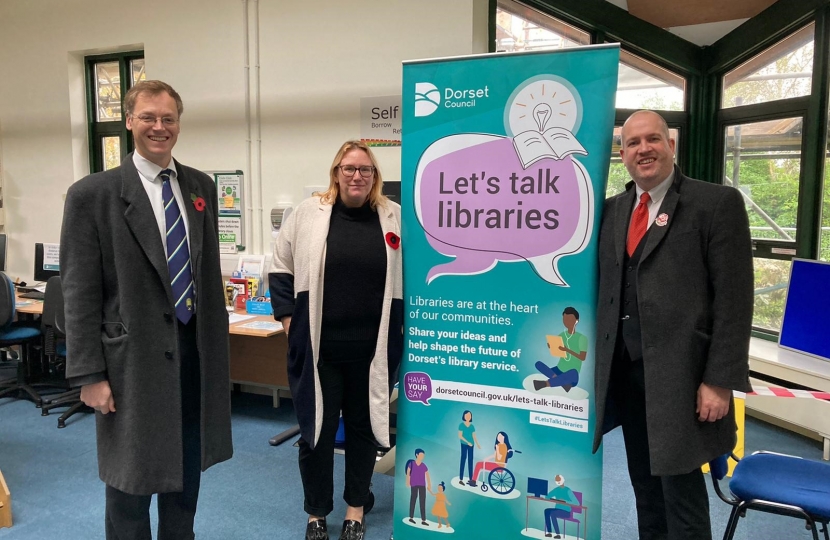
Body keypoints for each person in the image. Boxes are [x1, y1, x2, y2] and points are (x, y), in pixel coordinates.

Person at [60, 80, 233, 540]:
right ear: (130, 121)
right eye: (149, 118)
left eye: (169, 118)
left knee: (185, 479)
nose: (160, 127)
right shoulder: (92, 195)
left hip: (191, 354)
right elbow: (79, 293)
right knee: (129, 487)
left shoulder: (200, 187)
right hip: (128, 364)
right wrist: (88, 376)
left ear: (179, 123)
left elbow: (207, 276)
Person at [593, 110, 753, 540]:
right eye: (633, 143)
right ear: (622, 154)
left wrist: (720, 381)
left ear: (671, 145)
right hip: (626, 377)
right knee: (644, 488)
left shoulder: (716, 204)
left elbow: (735, 303)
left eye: (653, 140)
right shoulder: (612, 211)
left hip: (684, 381)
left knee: (681, 496)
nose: (643, 149)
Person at [269, 140, 403, 540]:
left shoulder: (393, 216)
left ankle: (355, 508)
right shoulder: (308, 214)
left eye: (365, 169)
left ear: (374, 176)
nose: (356, 176)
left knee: (363, 432)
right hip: (320, 351)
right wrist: (290, 322)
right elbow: (280, 266)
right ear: (336, 173)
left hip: (371, 352)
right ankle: (316, 513)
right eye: (349, 168)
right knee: (317, 433)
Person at [535, 307, 588, 392]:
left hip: (571, 374)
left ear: (576, 320)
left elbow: (582, 357)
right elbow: (558, 351)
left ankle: (545, 384)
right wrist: (552, 346)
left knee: (573, 373)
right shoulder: (562, 335)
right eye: (565, 319)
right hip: (559, 369)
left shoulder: (582, 338)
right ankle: (562, 382)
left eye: (569, 319)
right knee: (538, 364)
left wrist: (567, 350)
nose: (567, 322)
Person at [543, 475, 578, 539]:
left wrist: (566, 501)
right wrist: (551, 498)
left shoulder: (568, 490)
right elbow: (547, 496)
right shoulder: (556, 489)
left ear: (562, 480)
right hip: (557, 509)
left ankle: (558, 534)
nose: (558, 481)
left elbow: (576, 503)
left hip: (566, 512)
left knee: (552, 513)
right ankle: (550, 533)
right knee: (547, 511)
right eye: (557, 480)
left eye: (559, 480)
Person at [406, 449, 431, 526]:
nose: (422, 456)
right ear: (417, 455)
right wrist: (407, 481)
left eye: (423, 455)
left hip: (422, 485)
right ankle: (411, 517)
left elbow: (427, 476)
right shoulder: (412, 464)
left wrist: (429, 484)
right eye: (421, 455)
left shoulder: (424, 466)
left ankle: (423, 520)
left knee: (422, 501)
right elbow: (408, 473)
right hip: (414, 484)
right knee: (413, 500)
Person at [457, 410, 481, 486]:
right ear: (464, 416)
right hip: (464, 444)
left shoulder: (472, 426)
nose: (468, 417)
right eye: (467, 415)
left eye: (470, 415)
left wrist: (477, 444)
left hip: (472, 445)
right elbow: (460, 436)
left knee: (471, 461)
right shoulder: (461, 425)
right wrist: (468, 442)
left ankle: (471, 479)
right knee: (463, 459)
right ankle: (461, 479)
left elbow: (474, 436)